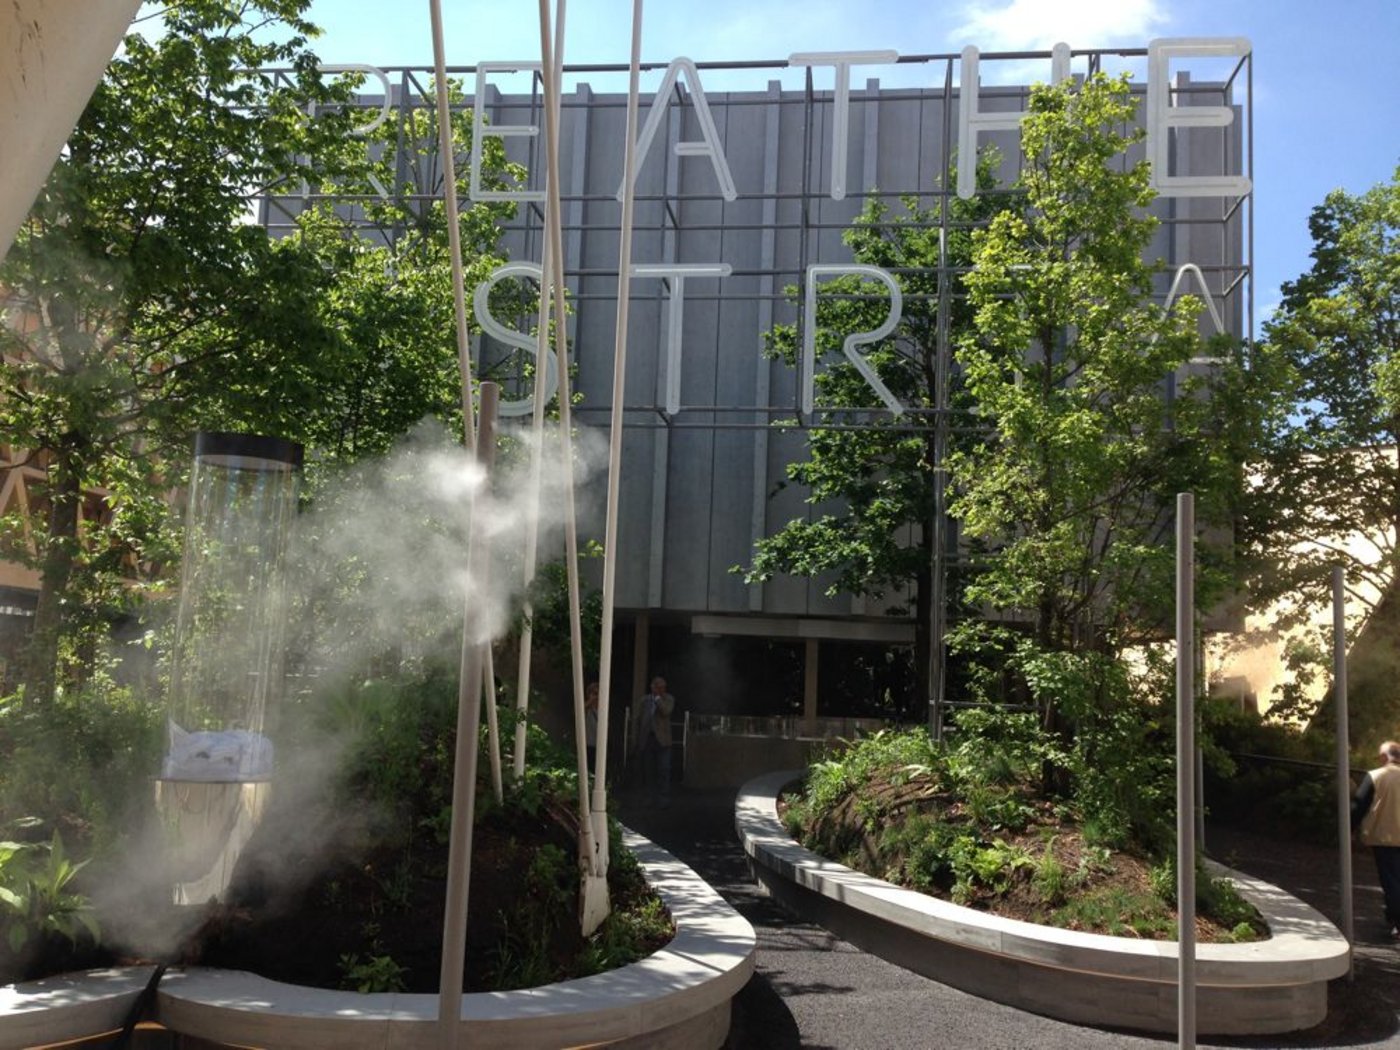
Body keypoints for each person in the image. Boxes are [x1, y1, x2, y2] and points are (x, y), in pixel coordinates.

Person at [1352, 740, 1400, 940]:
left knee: (1391, 881)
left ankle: (1397, 920)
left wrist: (1349, 828)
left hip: (1384, 836)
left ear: (1384, 757)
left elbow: (1359, 806)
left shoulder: (1375, 776)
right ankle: (1392, 916)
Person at [631, 675, 675, 807]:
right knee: (648, 770)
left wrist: (657, 699)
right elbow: (638, 719)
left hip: (663, 741)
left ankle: (663, 798)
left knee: (663, 769)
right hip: (647, 739)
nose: (661, 689)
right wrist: (636, 739)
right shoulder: (644, 700)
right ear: (652, 687)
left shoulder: (669, 699)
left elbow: (666, 711)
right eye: (658, 687)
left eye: (663, 687)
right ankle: (649, 797)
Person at [583, 681, 599, 776]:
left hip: (599, 745)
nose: (597, 697)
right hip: (588, 744)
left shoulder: (603, 709)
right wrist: (591, 701)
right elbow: (578, 712)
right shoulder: (587, 709)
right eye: (594, 693)